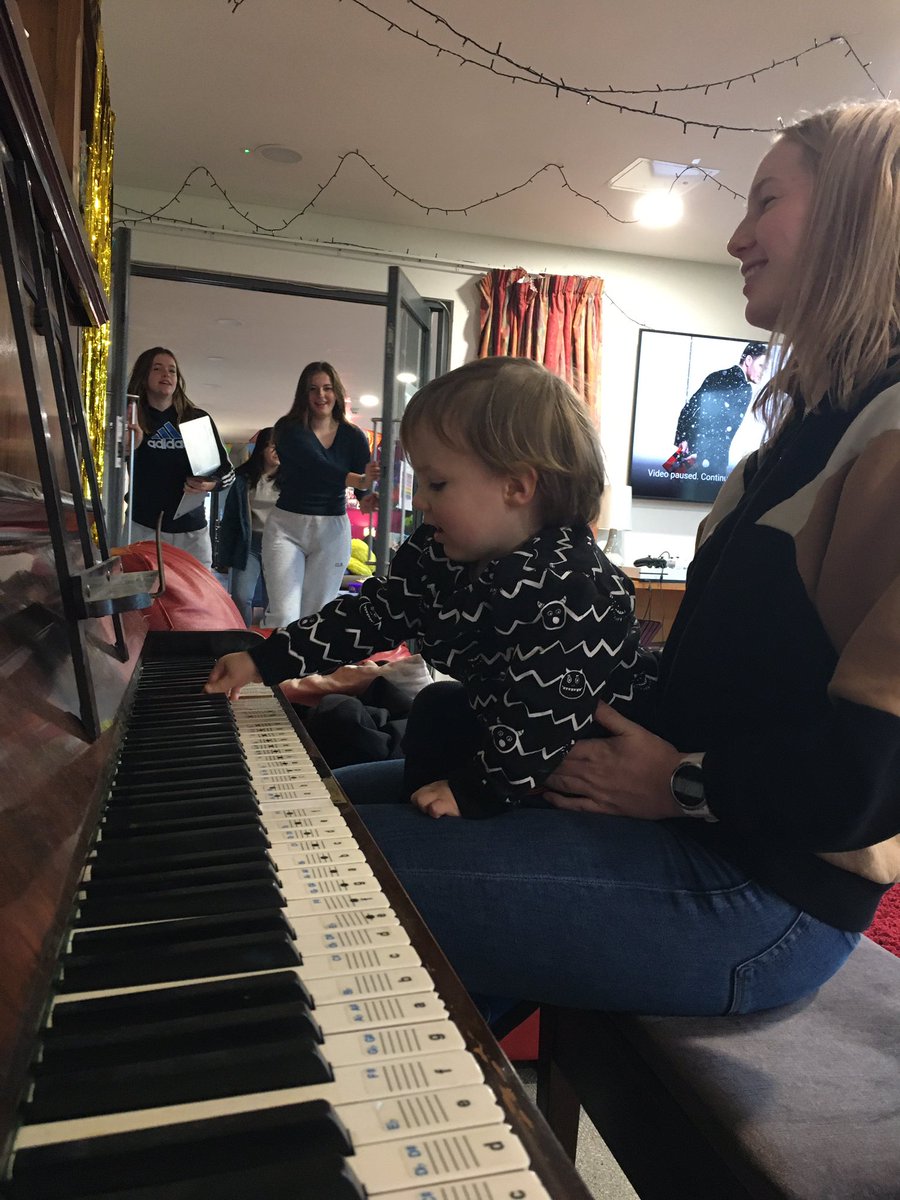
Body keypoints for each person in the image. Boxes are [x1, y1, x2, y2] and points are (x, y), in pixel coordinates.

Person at [260, 99, 898, 1022]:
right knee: (309, 807)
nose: (736, 238)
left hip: (764, 892)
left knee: (290, 861)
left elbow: (870, 784)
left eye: (766, 201)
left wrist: (679, 782)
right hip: (683, 824)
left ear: (858, 213)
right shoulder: (792, 439)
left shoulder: (888, 433)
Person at [206, 356, 656, 819]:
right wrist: (265, 659)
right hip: (497, 736)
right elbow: (374, 615)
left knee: (440, 718)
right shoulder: (440, 552)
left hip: (570, 777)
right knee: (437, 705)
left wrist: (474, 791)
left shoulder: (577, 588)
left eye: (437, 483)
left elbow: (542, 719)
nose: (420, 499)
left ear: (517, 487)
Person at [261, 362, 380, 627]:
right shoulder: (288, 428)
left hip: (331, 530)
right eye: (313, 389)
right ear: (303, 394)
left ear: (336, 392)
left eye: (327, 388)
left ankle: (307, 658)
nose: (321, 395)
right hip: (287, 527)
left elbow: (363, 485)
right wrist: (359, 480)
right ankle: (279, 655)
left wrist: (366, 497)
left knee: (316, 616)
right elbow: (316, 466)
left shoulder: (353, 436)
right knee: (283, 615)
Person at [126, 347, 234, 569]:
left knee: (197, 591)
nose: (166, 374)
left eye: (172, 370)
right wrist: (129, 448)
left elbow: (227, 472)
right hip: (143, 527)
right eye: (157, 369)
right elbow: (106, 470)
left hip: (191, 531)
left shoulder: (196, 419)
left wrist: (210, 484)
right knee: (142, 589)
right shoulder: (132, 418)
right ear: (143, 376)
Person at [668, 341, 768, 480]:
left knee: (665, 479)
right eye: (761, 366)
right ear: (748, 360)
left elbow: (689, 408)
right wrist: (701, 454)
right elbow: (723, 429)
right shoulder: (744, 389)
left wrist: (684, 439)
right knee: (700, 489)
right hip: (708, 457)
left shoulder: (716, 375)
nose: (763, 372)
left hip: (690, 448)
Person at [214, 427, 279, 625]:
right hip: (248, 544)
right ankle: (243, 636)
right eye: (272, 446)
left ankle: (273, 638)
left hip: (278, 545)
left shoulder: (292, 480)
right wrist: (224, 556)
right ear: (262, 449)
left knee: (275, 601)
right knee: (241, 597)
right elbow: (231, 519)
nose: (278, 451)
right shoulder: (243, 478)